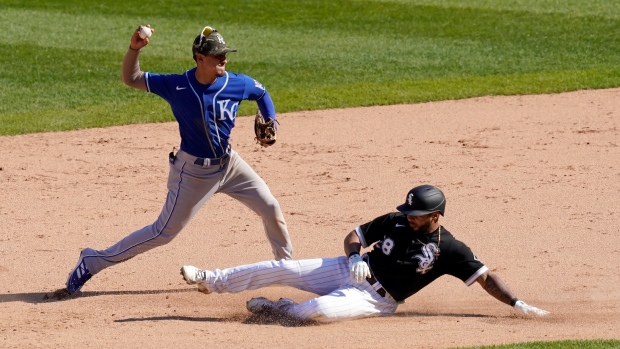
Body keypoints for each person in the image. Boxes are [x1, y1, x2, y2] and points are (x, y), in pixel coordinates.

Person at [64, 25, 293, 295]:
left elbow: (261, 92)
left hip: (230, 165)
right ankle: (93, 260)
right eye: (217, 55)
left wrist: (269, 119)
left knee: (270, 207)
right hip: (193, 174)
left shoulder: (236, 83)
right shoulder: (177, 85)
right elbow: (131, 77)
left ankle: (286, 268)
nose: (224, 59)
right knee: (163, 233)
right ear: (200, 59)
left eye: (224, 54)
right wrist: (135, 49)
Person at [180, 184, 549, 323]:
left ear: (435, 216)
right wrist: (355, 257)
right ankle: (213, 280)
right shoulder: (395, 220)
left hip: (377, 300)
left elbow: (484, 277)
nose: (408, 218)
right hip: (347, 270)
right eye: (407, 212)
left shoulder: (449, 248)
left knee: (316, 312)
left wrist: (517, 304)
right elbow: (353, 236)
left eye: (416, 215)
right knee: (280, 268)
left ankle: (276, 308)